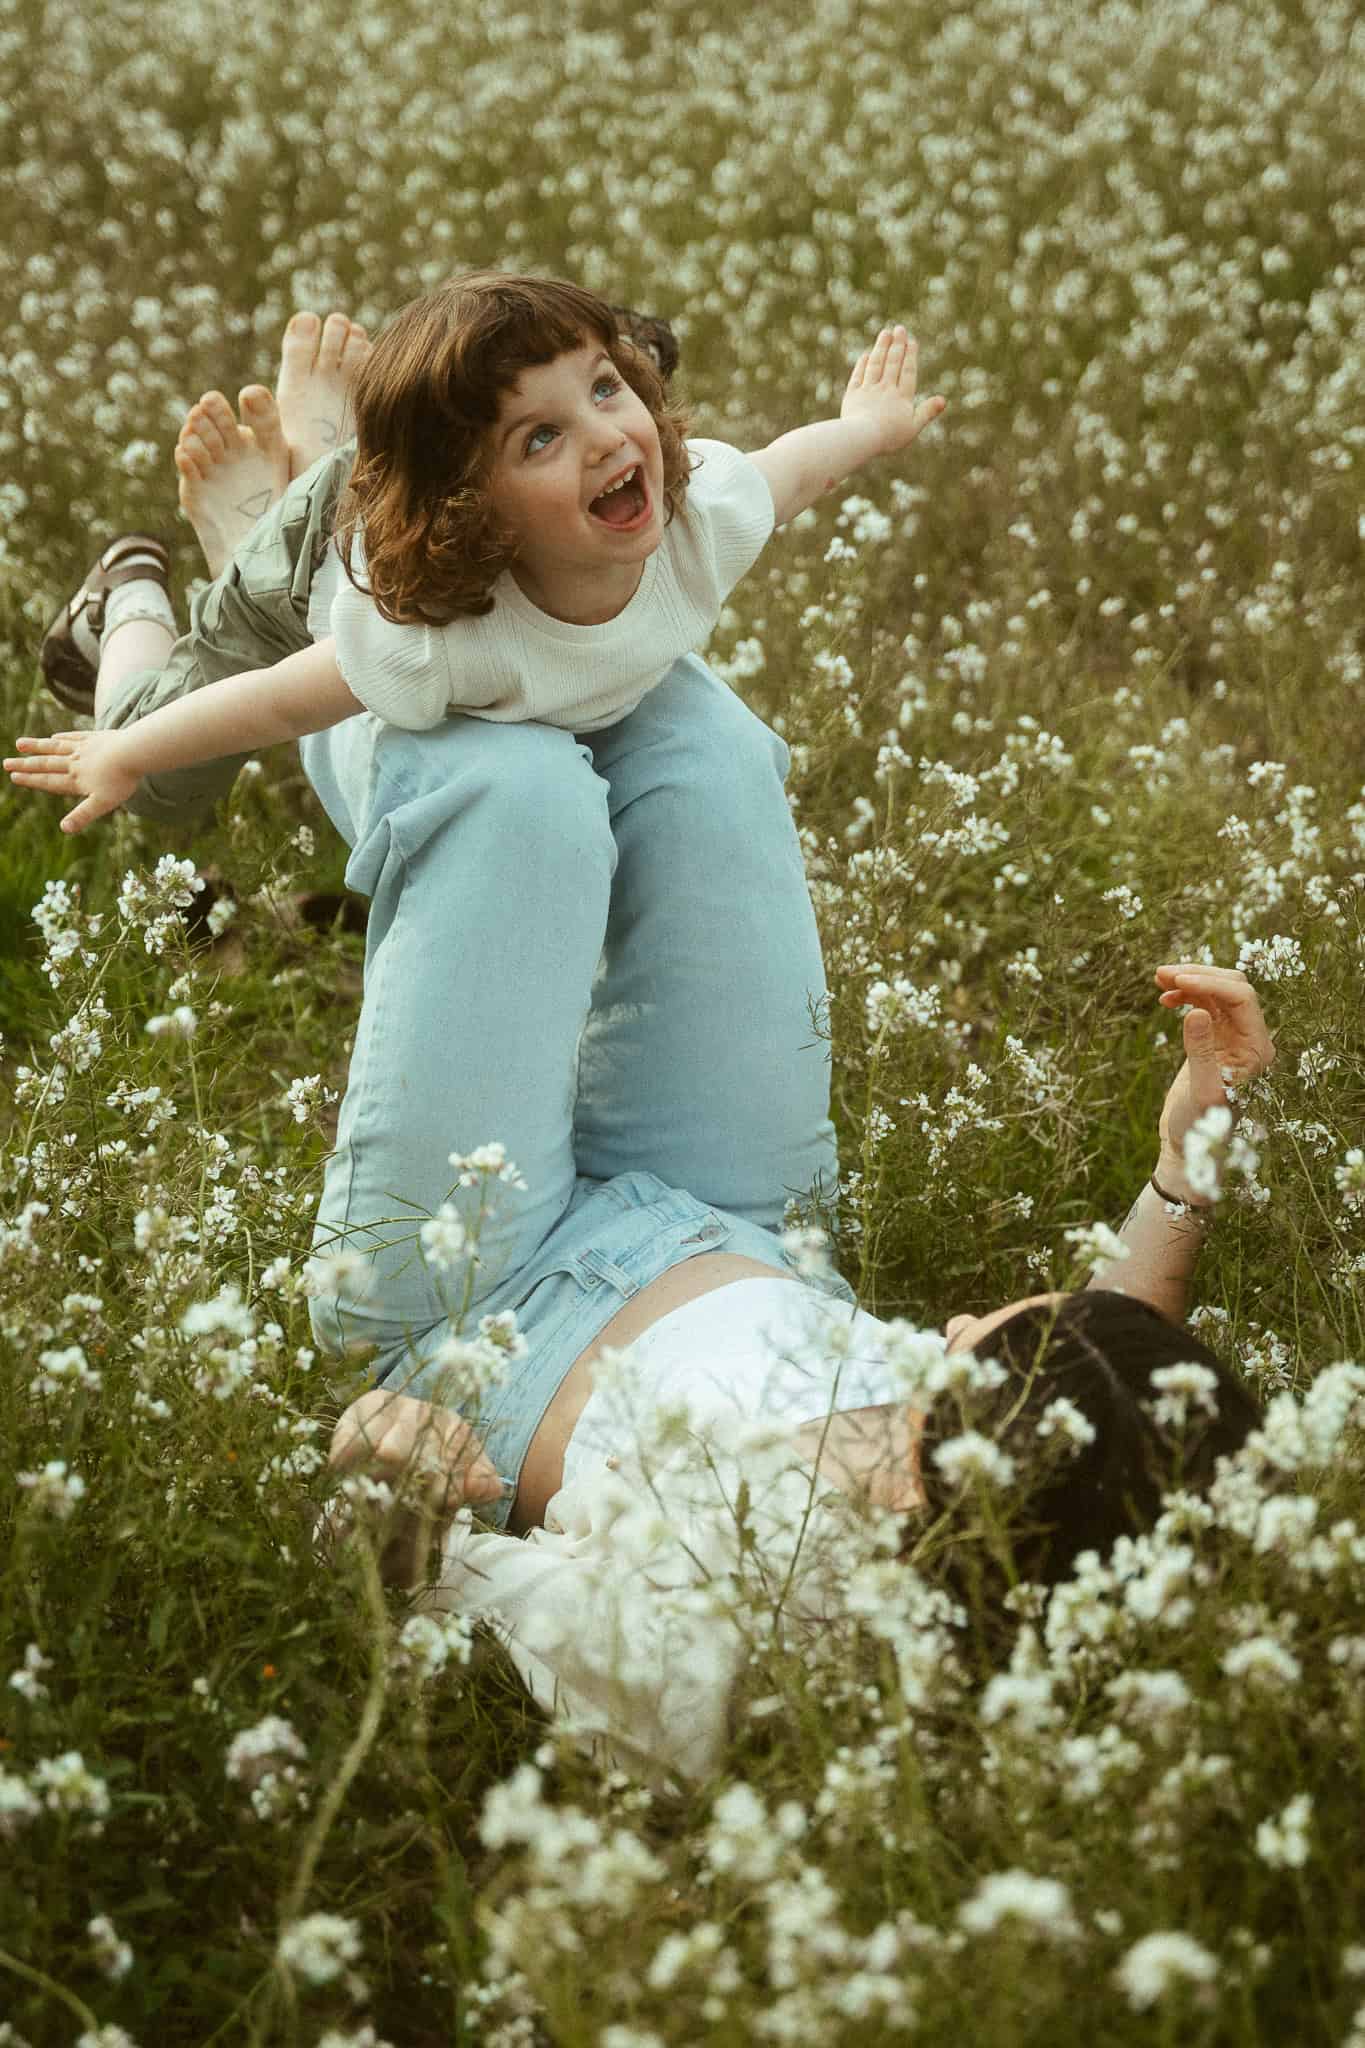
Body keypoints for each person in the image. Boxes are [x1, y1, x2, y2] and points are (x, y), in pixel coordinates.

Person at [5, 271, 945, 831]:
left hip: (400, 502)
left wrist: (868, 425)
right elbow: (286, 697)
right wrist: (126, 751)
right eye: (541, 437)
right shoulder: (447, 635)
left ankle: (332, 450)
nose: (608, 440)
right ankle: (126, 595)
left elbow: (791, 469)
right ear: (471, 511)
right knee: (168, 794)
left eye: (607, 390)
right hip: (314, 560)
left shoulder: (703, 514)